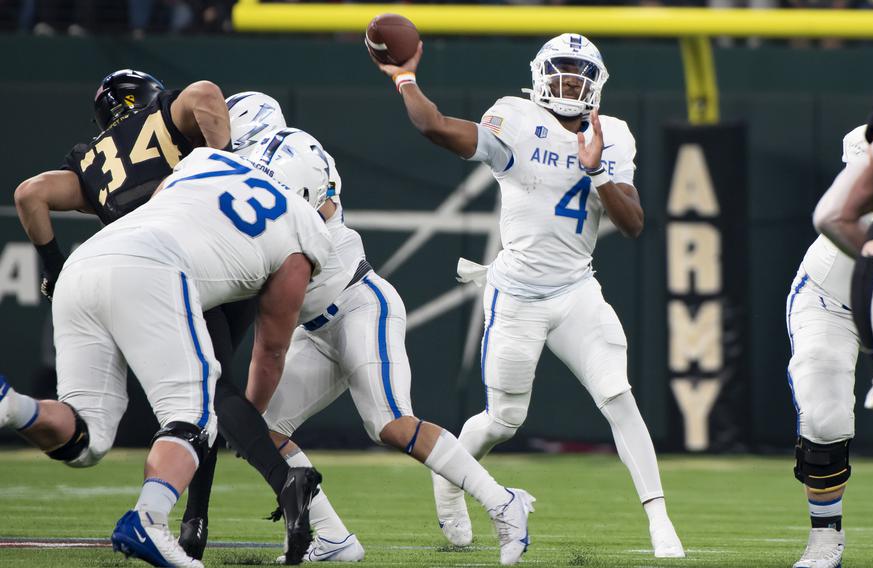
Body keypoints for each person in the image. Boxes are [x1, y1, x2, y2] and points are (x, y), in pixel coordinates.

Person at [178, 92, 535, 566]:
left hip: (359, 304)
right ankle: (334, 539)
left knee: (389, 423)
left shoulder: (289, 161)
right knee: (264, 431)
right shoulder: (275, 165)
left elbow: (270, 343)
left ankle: (503, 504)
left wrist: (245, 414)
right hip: (314, 326)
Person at [370, 33, 684, 558]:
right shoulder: (514, 118)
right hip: (515, 295)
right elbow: (435, 126)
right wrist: (405, 78)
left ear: (597, 84)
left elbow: (632, 223)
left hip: (576, 290)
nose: (568, 82)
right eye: (559, 71)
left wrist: (598, 170)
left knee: (618, 397)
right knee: (503, 420)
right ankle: (449, 479)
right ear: (539, 76)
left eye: (579, 73)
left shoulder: (615, 135)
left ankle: (660, 521)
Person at [13, 72, 320, 563]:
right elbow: (202, 93)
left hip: (115, 261)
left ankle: (194, 521)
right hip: (182, 260)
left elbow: (30, 193)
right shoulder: (190, 141)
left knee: (117, 426)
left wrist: (51, 268)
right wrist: (221, 156)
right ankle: (227, 502)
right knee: (204, 402)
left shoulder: (94, 160)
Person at [788, 64, 873, 568]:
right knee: (824, 416)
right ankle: (824, 540)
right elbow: (841, 215)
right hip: (835, 294)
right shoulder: (871, 142)